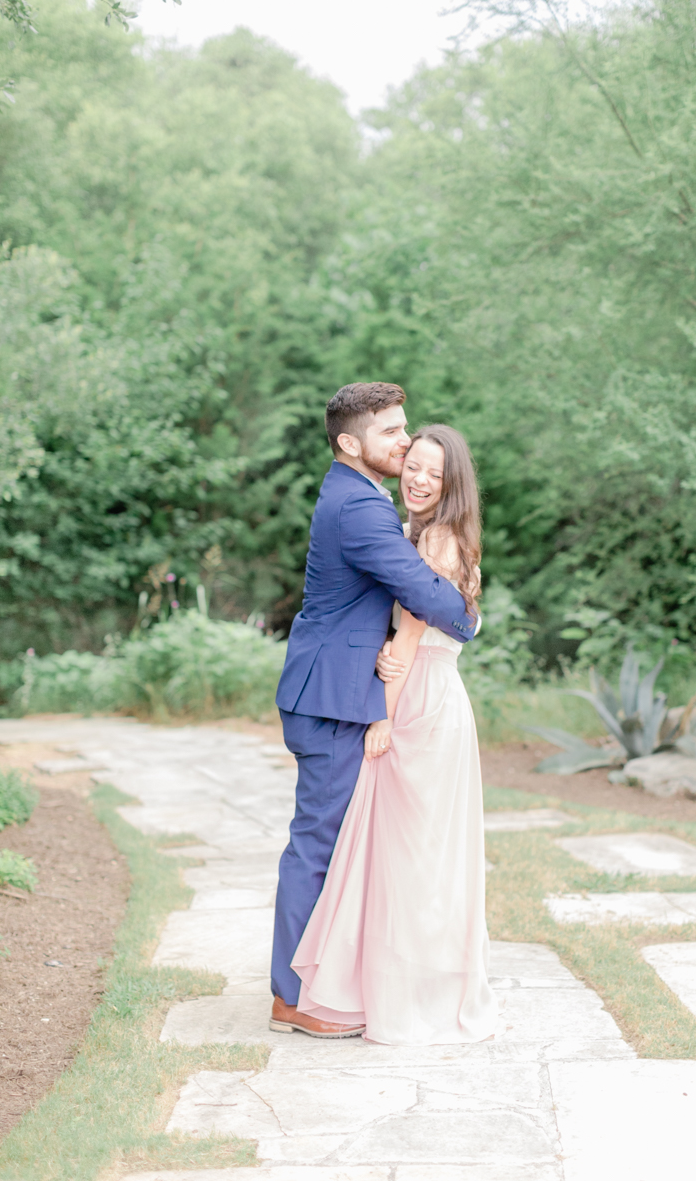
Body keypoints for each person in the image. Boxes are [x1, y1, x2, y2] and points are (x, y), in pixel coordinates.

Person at [270, 385, 477, 1038]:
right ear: (349, 444)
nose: (404, 442)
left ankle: (315, 984)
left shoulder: (359, 495)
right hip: (332, 699)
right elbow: (422, 592)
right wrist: (467, 617)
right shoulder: (360, 509)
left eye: (404, 429)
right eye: (391, 433)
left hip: (332, 690)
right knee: (319, 847)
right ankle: (293, 997)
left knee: (332, 844)